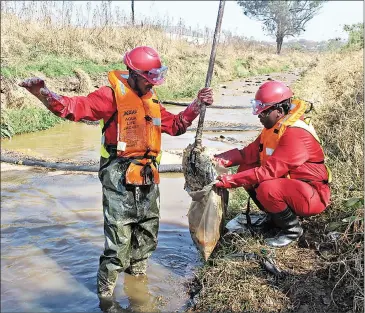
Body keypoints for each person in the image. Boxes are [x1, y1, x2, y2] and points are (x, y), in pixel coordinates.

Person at [19, 46, 214, 300]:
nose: (152, 84)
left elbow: (176, 126)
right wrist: (43, 93)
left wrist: (197, 104)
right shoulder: (109, 96)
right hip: (118, 176)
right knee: (118, 243)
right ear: (133, 74)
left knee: (147, 233)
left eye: (155, 79)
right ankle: (106, 297)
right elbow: (72, 108)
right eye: (148, 79)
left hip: (147, 175)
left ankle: (138, 284)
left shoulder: (151, 99)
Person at [214, 80, 331, 248]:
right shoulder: (273, 128)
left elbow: (268, 171)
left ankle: (292, 230)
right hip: (291, 186)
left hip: (312, 194)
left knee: (267, 188)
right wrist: (219, 158)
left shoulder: (295, 134)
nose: (259, 116)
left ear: (278, 111)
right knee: (246, 169)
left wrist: (229, 180)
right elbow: (247, 154)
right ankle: (275, 217)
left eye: (263, 112)